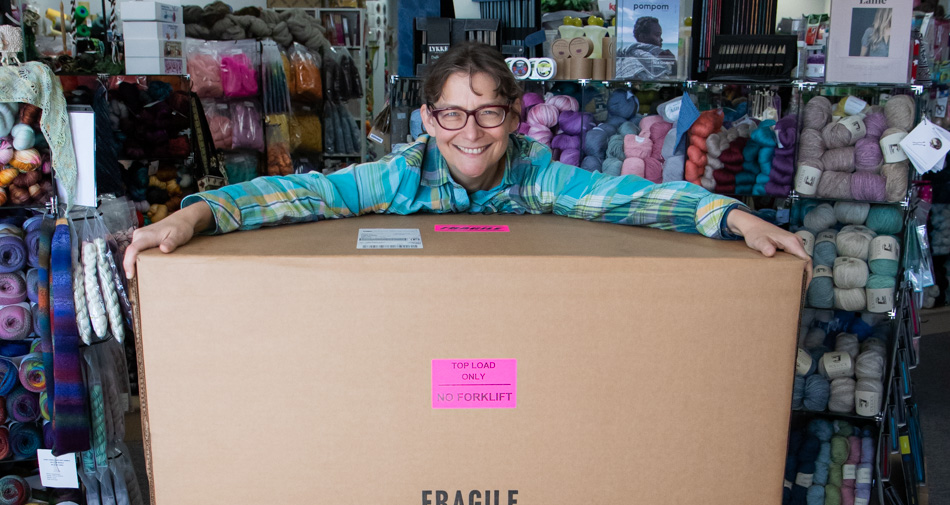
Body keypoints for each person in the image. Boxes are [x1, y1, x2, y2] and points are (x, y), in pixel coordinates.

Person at [124, 42, 808, 279]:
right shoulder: (397, 176)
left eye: (489, 113)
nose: (471, 132)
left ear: (513, 117)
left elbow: (632, 199)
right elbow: (302, 196)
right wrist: (199, 215)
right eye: (452, 113)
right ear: (427, 119)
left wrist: (733, 216)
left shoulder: (537, 175)